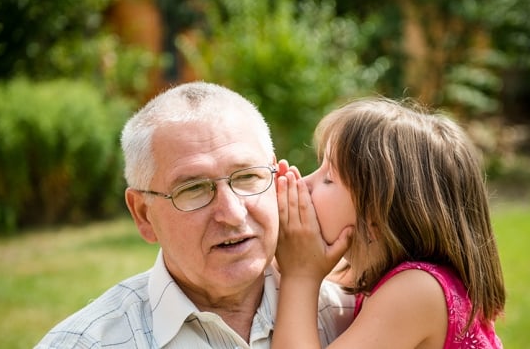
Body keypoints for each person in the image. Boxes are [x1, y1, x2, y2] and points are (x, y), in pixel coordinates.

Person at [35, 81, 354, 348]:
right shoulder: (85, 343)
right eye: (194, 189)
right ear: (144, 215)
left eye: (246, 178)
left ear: (277, 179)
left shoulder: (349, 314)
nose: (231, 213)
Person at [272, 97, 506, 349]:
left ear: (376, 215)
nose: (304, 183)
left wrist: (300, 276)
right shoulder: (377, 270)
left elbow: (301, 268)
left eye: (328, 178)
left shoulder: (416, 291)